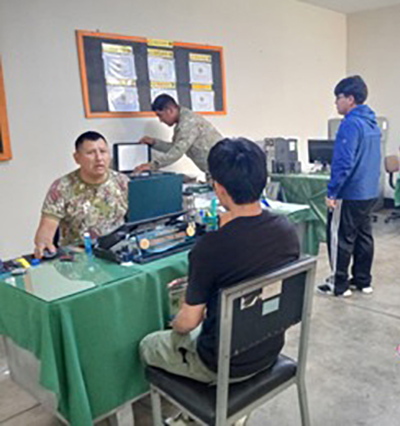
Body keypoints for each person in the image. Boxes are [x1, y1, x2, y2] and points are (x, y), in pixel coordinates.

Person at [140, 137, 300, 385]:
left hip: (222, 366)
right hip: (269, 349)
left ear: (219, 188)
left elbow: (187, 323)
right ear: (263, 179)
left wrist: (174, 323)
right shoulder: (286, 230)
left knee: (148, 344)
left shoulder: (210, 248)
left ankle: (186, 402)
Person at [317, 75, 381, 297]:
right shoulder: (372, 123)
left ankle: (339, 284)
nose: (336, 102)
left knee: (340, 237)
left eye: (338, 97)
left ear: (350, 99)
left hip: (350, 192)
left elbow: (344, 162)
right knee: (364, 236)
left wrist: (332, 192)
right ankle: (363, 281)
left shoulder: (350, 124)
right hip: (369, 191)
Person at [34, 131, 128, 258]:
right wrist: (44, 245)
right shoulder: (62, 187)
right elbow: (46, 230)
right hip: (78, 258)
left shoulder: (123, 182)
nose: (99, 158)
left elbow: (140, 223)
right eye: (91, 153)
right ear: (77, 158)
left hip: (117, 254)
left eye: (103, 152)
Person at [134, 94, 223, 174]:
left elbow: (178, 151)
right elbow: (174, 148)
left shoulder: (188, 122)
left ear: (170, 110)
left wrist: (152, 165)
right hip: (216, 170)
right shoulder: (181, 121)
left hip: (223, 169)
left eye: (160, 115)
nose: (160, 120)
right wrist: (154, 142)